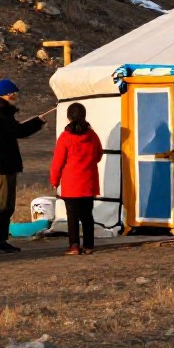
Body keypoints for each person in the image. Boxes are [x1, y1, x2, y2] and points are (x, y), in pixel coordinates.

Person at [0, 78, 45, 255]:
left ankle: (1, 240)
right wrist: (37, 122)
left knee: (8, 206)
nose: (16, 97)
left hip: (7, 165)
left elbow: (16, 130)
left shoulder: (2, 112)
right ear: (7, 95)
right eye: (14, 94)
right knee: (0, 205)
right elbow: (18, 131)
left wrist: (37, 121)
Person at [49, 103, 102, 255]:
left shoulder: (65, 138)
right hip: (88, 182)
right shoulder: (92, 136)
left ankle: (74, 246)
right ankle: (89, 246)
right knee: (87, 216)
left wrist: (55, 180)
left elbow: (57, 162)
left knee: (72, 217)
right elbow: (99, 154)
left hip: (72, 184)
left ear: (69, 117)